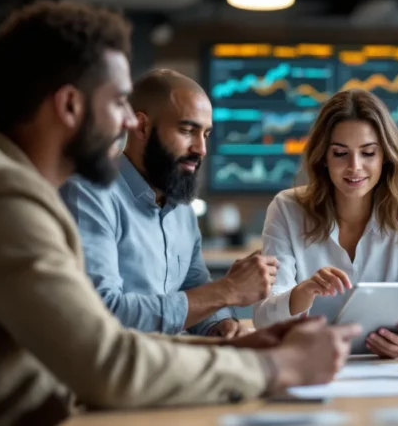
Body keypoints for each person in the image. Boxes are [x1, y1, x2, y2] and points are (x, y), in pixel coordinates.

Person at [0, 0, 360, 425]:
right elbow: (106, 363)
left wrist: (236, 349)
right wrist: (279, 367)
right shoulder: (1, 198)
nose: (129, 123)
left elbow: (99, 345)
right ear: (70, 106)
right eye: (117, 104)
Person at [61, 69, 265, 338]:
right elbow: (103, 312)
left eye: (205, 134)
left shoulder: (180, 204)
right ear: (141, 126)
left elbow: (194, 286)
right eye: (187, 130)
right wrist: (227, 290)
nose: (201, 149)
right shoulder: (90, 195)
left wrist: (219, 324)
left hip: (170, 362)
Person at [252, 89, 398, 358]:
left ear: (385, 157)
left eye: (368, 153)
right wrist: (303, 292)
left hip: (387, 366)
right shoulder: (287, 208)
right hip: (310, 363)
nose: (354, 167)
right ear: (324, 158)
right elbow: (263, 318)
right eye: (341, 153)